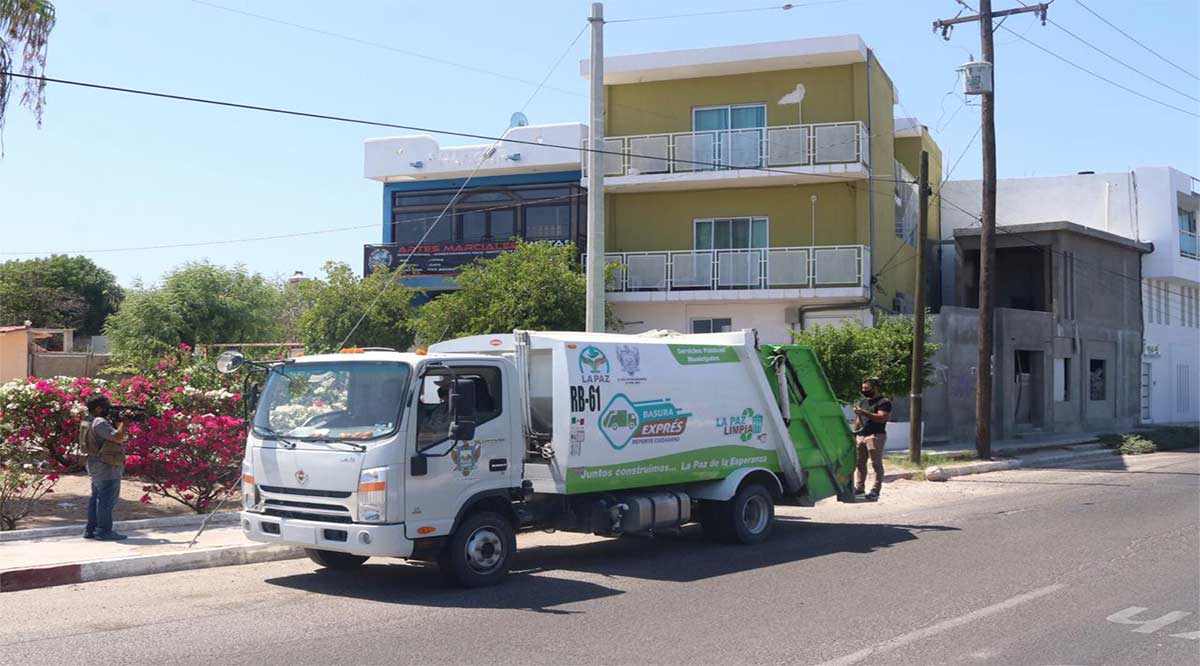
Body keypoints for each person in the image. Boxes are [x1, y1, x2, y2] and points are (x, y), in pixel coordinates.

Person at [80, 396, 129, 540]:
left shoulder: (88, 420)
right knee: (106, 500)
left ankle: (91, 530)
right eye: (106, 406)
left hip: (95, 463)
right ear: (98, 408)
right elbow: (117, 437)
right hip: (106, 465)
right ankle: (104, 531)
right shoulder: (99, 422)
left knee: (97, 498)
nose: (109, 409)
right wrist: (124, 423)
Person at [852, 377, 892, 501]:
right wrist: (854, 432)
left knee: (876, 464)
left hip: (875, 436)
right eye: (862, 388)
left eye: (866, 388)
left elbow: (881, 417)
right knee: (860, 463)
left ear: (875, 388)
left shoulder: (883, 402)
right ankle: (859, 488)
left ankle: (875, 490)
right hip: (861, 436)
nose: (864, 390)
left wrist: (864, 413)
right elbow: (859, 420)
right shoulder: (863, 402)